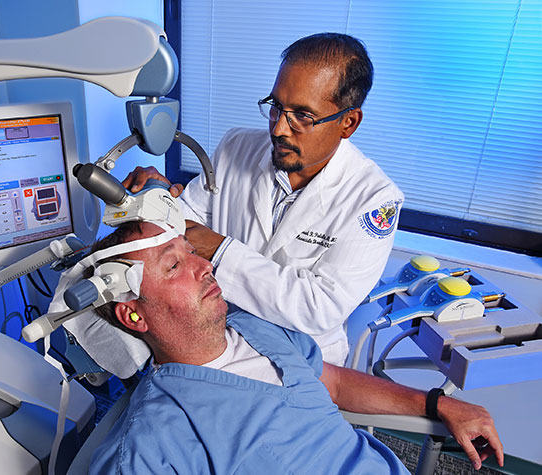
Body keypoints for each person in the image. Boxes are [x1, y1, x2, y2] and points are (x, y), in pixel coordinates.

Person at [86, 221, 503, 474]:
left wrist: (436, 404)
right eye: (174, 265)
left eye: (191, 251)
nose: (204, 265)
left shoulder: (255, 328)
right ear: (133, 316)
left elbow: (333, 383)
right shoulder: (154, 443)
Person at [124, 33, 403, 366]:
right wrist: (159, 197)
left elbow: (318, 307)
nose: (279, 129)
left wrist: (220, 250)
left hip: (305, 362)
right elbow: (182, 221)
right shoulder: (236, 147)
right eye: (276, 107)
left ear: (348, 122)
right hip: (219, 338)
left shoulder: (374, 200)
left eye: (303, 116)